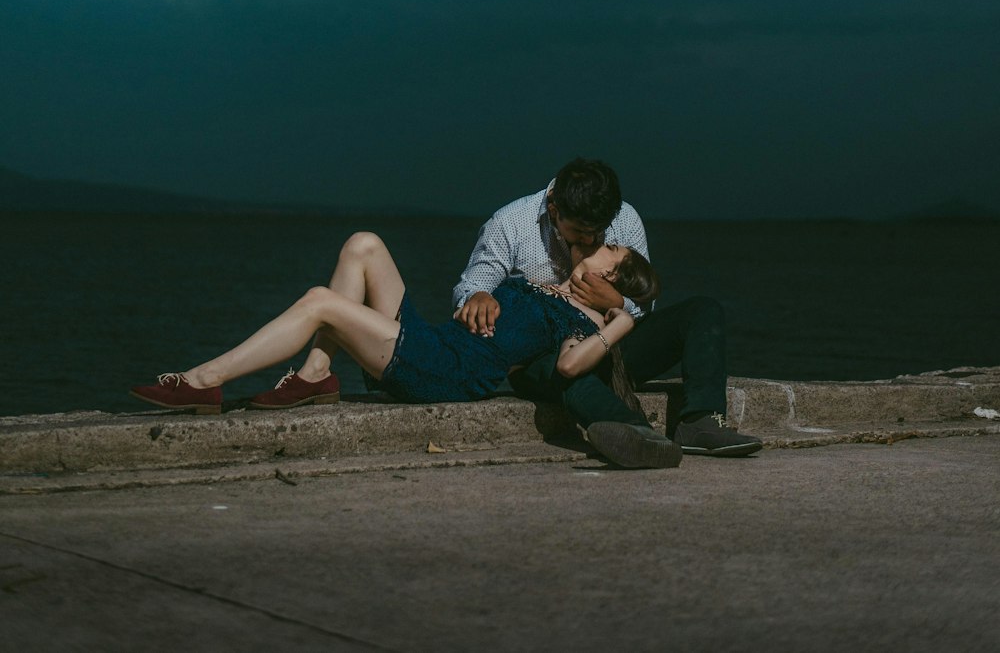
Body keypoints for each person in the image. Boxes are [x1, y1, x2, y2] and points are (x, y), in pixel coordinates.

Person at [129, 230, 664, 429]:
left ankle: (203, 381)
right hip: (433, 343)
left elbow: (571, 365)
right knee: (364, 245)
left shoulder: (584, 321)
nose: (596, 244)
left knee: (321, 303)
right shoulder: (549, 287)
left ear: (611, 275)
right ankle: (317, 373)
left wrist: (619, 321)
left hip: (441, 374)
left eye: (607, 249)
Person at [452, 158, 763, 468]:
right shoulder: (510, 223)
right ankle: (636, 434)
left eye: (598, 232)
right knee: (568, 369)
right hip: (547, 357)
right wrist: (478, 296)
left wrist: (617, 301)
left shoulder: (625, 218)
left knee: (702, 311)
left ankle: (700, 422)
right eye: (580, 231)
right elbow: (469, 289)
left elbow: (645, 298)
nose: (590, 240)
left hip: (612, 344)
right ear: (554, 210)